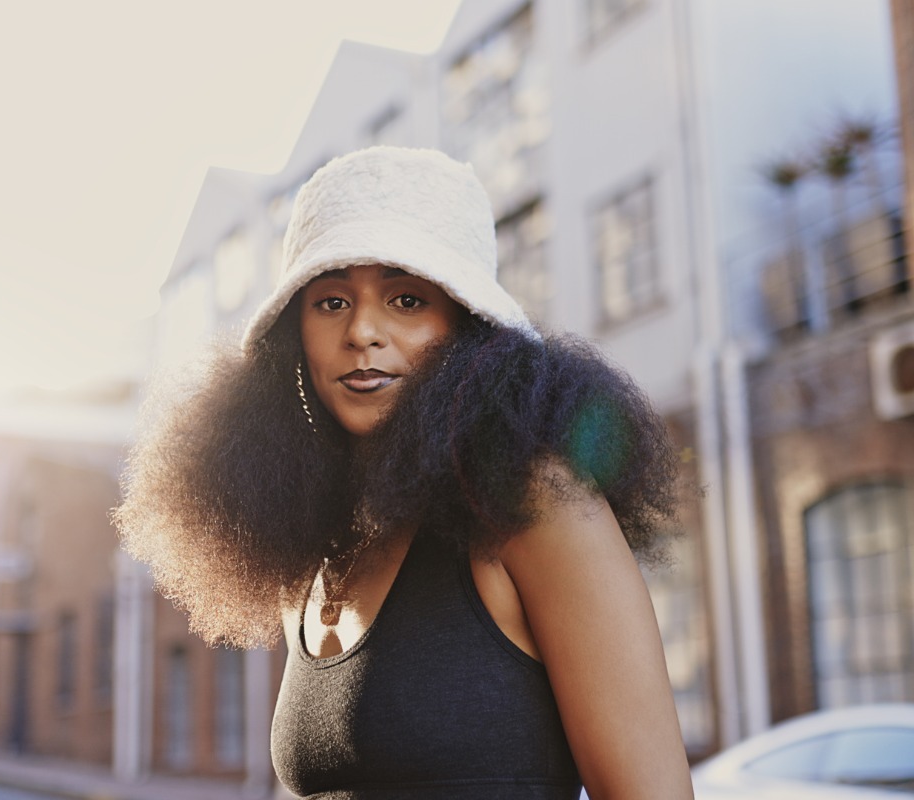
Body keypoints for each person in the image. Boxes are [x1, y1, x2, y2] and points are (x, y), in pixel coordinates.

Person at [116, 146, 694, 799]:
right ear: (294, 337)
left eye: (407, 299)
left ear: (469, 328)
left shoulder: (535, 504)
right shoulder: (313, 553)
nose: (363, 330)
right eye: (331, 302)